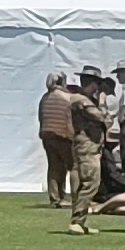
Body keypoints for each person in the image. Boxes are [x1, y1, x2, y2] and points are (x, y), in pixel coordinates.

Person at [38, 71, 87, 233]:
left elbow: (41, 117)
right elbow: (70, 118)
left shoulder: (45, 97)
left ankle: (55, 198)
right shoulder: (66, 98)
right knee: (73, 166)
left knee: (53, 167)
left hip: (47, 134)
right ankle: (75, 198)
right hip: (63, 135)